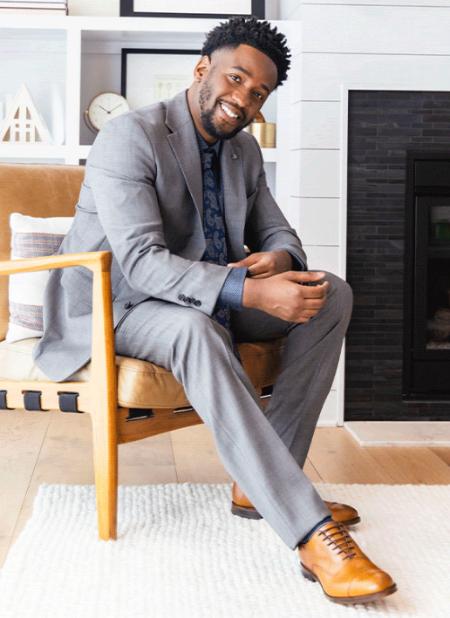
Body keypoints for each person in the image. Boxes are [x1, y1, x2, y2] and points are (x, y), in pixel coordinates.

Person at [33, 17, 396, 605]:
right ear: (203, 69)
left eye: (259, 93)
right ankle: (310, 531)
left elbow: (277, 231)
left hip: (204, 292)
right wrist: (250, 293)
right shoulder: (129, 136)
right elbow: (142, 264)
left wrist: (278, 259)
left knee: (330, 294)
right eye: (236, 79)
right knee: (194, 328)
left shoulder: (243, 149)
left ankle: (260, 487)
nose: (244, 99)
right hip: (116, 303)